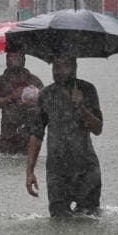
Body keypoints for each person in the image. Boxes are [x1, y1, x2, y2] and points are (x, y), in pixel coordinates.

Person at [25, 54, 102, 217]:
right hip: (57, 171)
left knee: (88, 221)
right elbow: (36, 135)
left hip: (86, 169)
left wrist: (81, 107)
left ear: (74, 68)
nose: (59, 71)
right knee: (59, 221)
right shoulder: (46, 95)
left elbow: (98, 128)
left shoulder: (87, 90)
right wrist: (30, 171)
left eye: (64, 66)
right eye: (55, 67)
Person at [0, 51, 43, 155]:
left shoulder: (33, 80)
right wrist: (10, 98)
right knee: (6, 164)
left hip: (28, 132)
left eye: (16, 57)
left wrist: (29, 101)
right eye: (9, 57)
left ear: (23, 60)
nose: (12, 60)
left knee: (27, 163)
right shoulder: (0, 81)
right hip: (8, 133)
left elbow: (45, 103)